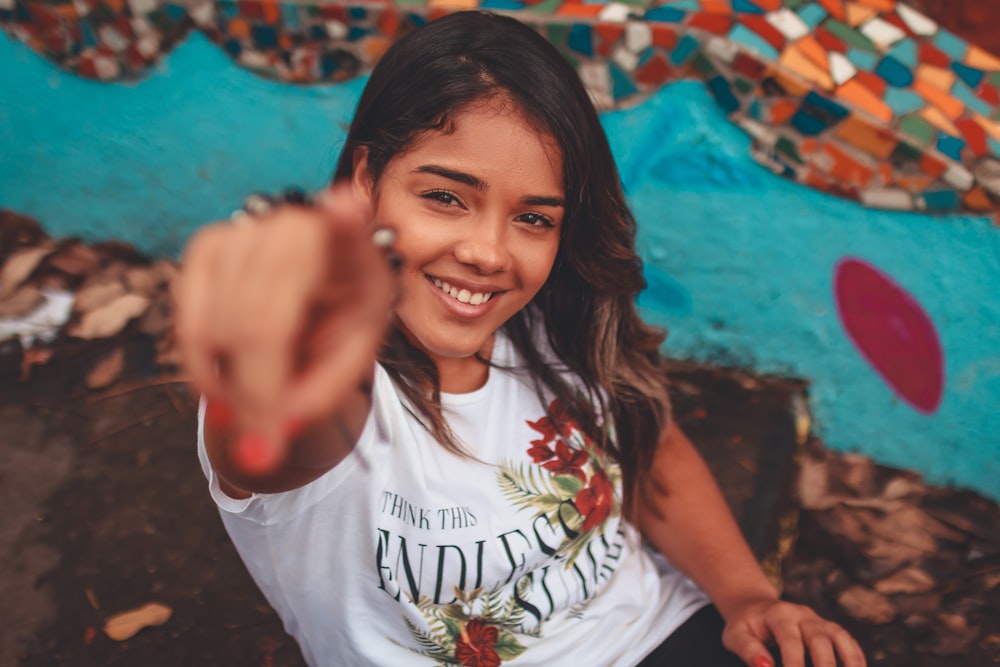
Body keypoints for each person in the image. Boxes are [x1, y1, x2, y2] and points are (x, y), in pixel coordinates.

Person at [174, 11, 866, 667]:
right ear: (365, 182)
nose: (488, 251)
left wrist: (748, 596)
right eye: (446, 196)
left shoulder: (553, 326)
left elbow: (651, 448)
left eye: (533, 218)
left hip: (655, 631)